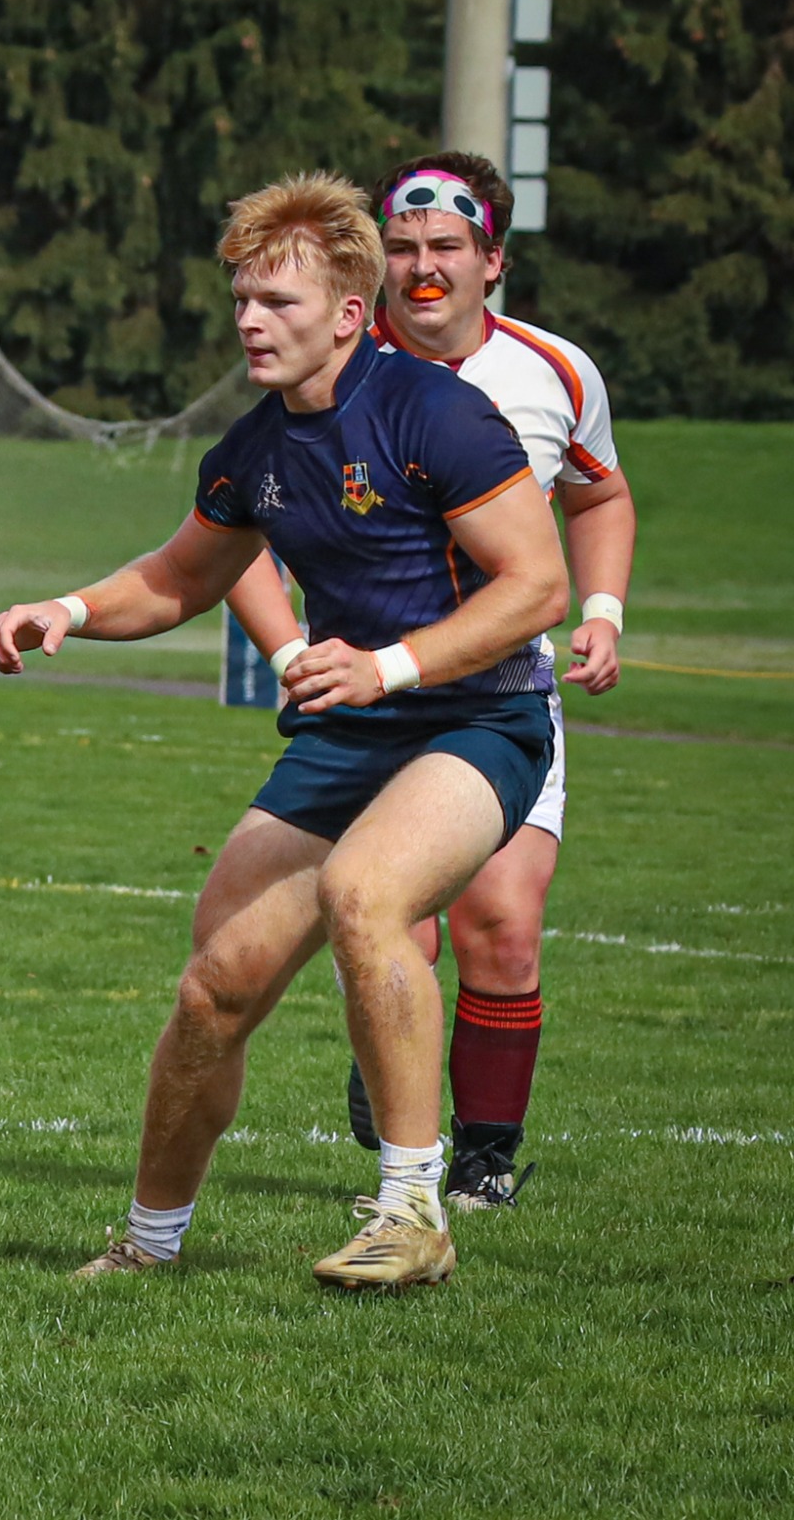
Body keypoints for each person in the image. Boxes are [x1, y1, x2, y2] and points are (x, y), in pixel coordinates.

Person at [0, 172, 568, 1288]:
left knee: (366, 892)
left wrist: (386, 663)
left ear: (348, 314)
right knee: (215, 985)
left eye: (279, 303)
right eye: (243, 299)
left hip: (478, 716)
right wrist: (64, 609)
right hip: (348, 733)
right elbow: (174, 579)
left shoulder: (435, 411)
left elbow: (535, 585)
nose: (250, 321)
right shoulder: (255, 446)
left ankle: (412, 1212)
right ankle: (147, 1244)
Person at [224, 153, 637, 1210]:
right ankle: (392, 1103)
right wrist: (290, 657)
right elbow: (229, 535)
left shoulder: (556, 372)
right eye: (402, 247)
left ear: (489, 260)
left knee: (499, 917)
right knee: (385, 920)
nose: (422, 267)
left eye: (444, 247)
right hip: (365, 709)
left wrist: (601, 610)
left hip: (495, 692)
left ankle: (481, 1164)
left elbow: (595, 499)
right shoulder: (339, 366)